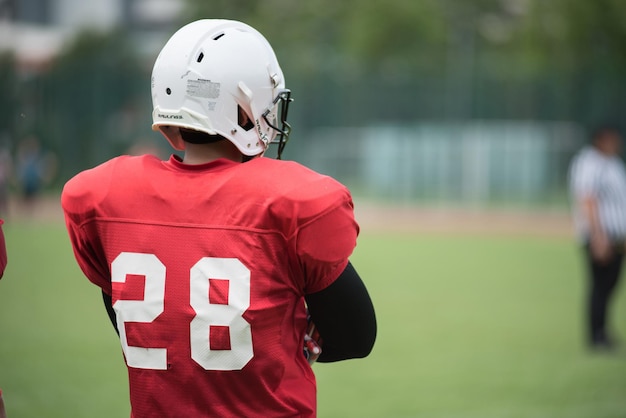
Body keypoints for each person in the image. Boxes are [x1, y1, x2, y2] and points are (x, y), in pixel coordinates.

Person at [62, 19, 376, 417]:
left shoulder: (104, 198)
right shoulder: (291, 202)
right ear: (245, 112)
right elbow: (356, 337)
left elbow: (138, 326)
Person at [569, 125, 626, 350]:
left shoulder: (612, 164)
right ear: (603, 139)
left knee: (611, 286)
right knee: (600, 287)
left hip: (617, 238)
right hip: (602, 237)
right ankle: (597, 336)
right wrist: (598, 237)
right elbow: (588, 199)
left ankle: (604, 332)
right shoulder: (590, 164)